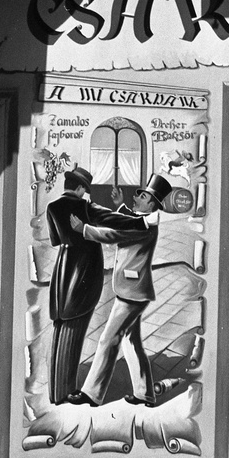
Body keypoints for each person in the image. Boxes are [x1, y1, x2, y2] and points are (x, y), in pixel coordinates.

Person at [66, 174, 174, 408]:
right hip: (133, 290)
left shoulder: (145, 225)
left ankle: (91, 394)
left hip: (132, 293)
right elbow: (127, 219)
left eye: (143, 196)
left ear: (152, 204)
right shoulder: (141, 219)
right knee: (130, 341)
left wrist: (84, 229)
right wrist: (120, 206)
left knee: (108, 339)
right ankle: (145, 394)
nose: (138, 198)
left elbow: (114, 233)